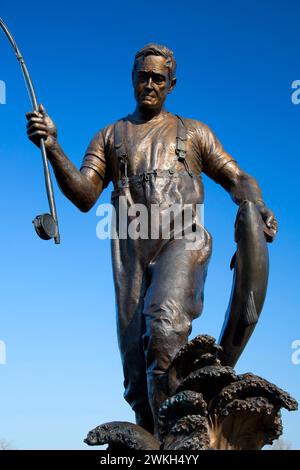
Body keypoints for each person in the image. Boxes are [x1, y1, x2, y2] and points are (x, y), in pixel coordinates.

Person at [26, 43, 278, 436]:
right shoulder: (109, 136)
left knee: (164, 328)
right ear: (132, 78)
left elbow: (237, 177)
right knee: (136, 377)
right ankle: (156, 437)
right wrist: (54, 146)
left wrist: (256, 204)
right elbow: (83, 195)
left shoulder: (194, 133)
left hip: (184, 241)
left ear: (171, 84)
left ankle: (180, 439)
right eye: (142, 76)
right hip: (131, 255)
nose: (149, 84)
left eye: (158, 78)